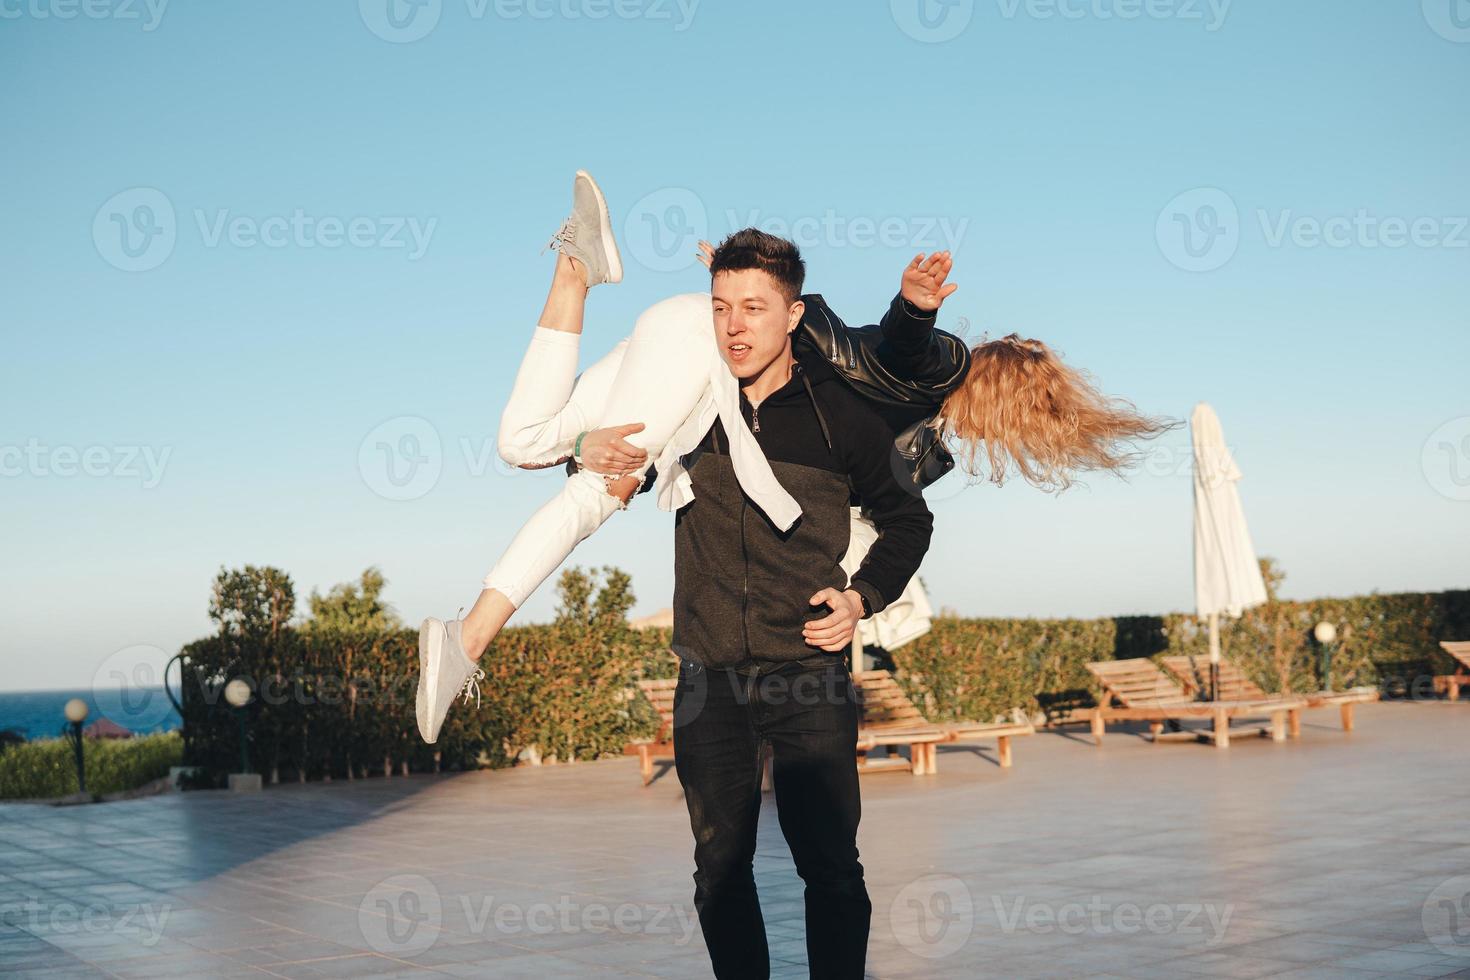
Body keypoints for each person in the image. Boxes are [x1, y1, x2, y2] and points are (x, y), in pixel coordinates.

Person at [415, 171, 1171, 745]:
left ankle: (579, 265)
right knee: (600, 490)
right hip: (694, 346)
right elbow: (899, 344)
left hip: (679, 336)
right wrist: (916, 308)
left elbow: (871, 498)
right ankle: (466, 639)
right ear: (1011, 399)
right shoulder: (945, 369)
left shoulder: (921, 432)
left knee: (524, 444)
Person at [669, 228, 932, 978]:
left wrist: (863, 597)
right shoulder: (686, 403)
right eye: (720, 307)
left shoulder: (837, 415)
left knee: (831, 870)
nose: (734, 326)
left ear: (793, 316)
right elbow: (589, 455)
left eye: (754, 307)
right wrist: (584, 448)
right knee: (718, 871)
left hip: (807, 673)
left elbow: (910, 518)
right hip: (708, 681)